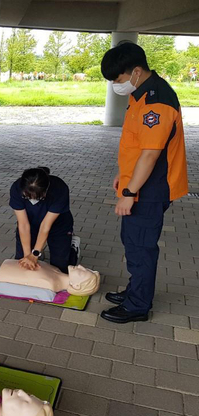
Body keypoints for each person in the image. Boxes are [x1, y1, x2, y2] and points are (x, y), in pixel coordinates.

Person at [99, 42, 188, 324]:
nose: (116, 84)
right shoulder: (140, 94)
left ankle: (138, 306)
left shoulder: (156, 101)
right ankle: (135, 290)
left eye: (118, 79)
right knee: (132, 241)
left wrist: (129, 192)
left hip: (150, 189)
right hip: (138, 183)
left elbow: (150, 154)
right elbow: (137, 146)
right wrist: (122, 174)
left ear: (136, 71)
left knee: (141, 247)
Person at [10, 167, 76, 274]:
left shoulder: (59, 188)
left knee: (60, 265)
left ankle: (73, 249)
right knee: (22, 261)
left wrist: (35, 254)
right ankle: (36, 251)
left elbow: (46, 226)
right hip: (30, 223)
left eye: (37, 197)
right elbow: (23, 224)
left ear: (45, 191)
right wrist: (28, 255)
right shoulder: (16, 188)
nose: (32, 199)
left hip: (58, 225)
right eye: (27, 196)